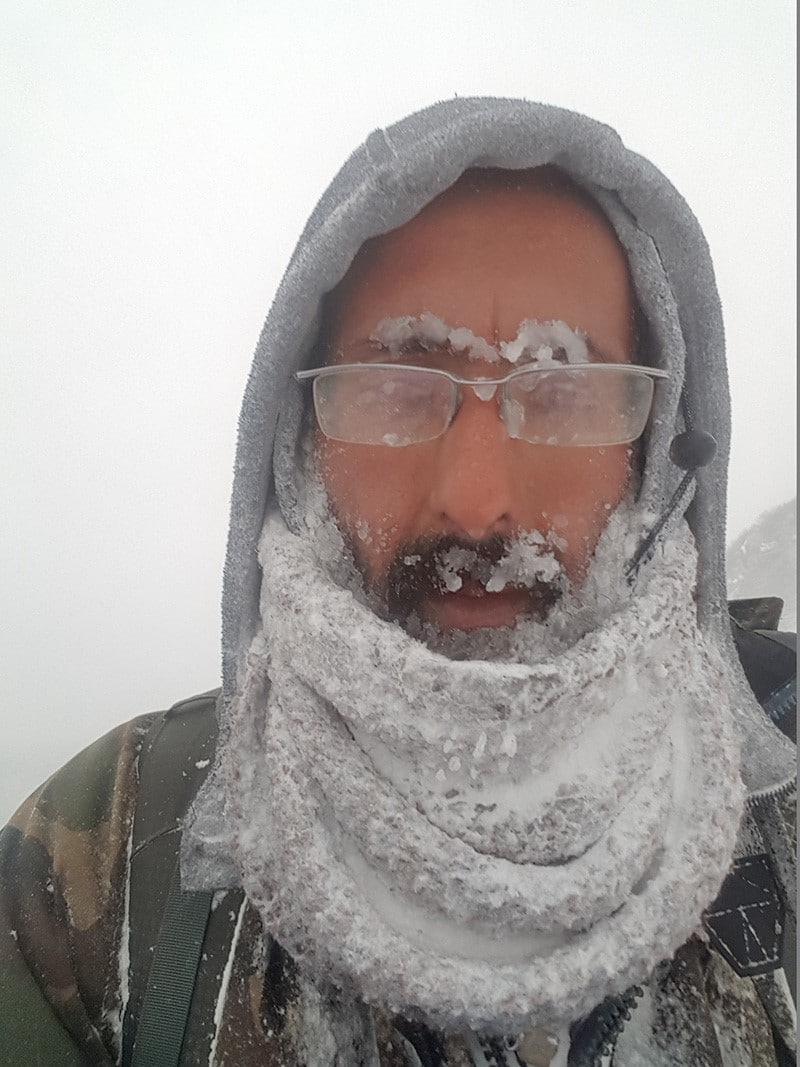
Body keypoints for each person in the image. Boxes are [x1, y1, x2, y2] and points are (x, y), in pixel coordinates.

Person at [0, 98, 795, 1067]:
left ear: (659, 456)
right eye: (393, 387)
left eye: (565, 391)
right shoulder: (104, 849)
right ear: (295, 445)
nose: (475, 501)